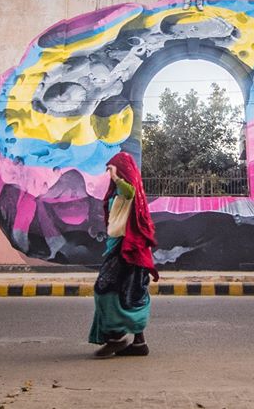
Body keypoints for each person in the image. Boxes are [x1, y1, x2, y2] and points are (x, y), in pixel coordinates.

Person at [88, 151, 159, 358]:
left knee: (105, 289)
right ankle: (139, 343)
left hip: (127, 248)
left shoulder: (127, 190)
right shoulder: (116, 192)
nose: (108, 173)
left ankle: (116, 339)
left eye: (111, 168)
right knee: (129, 293)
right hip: (118, 246)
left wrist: (117, 177)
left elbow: (129, 192)